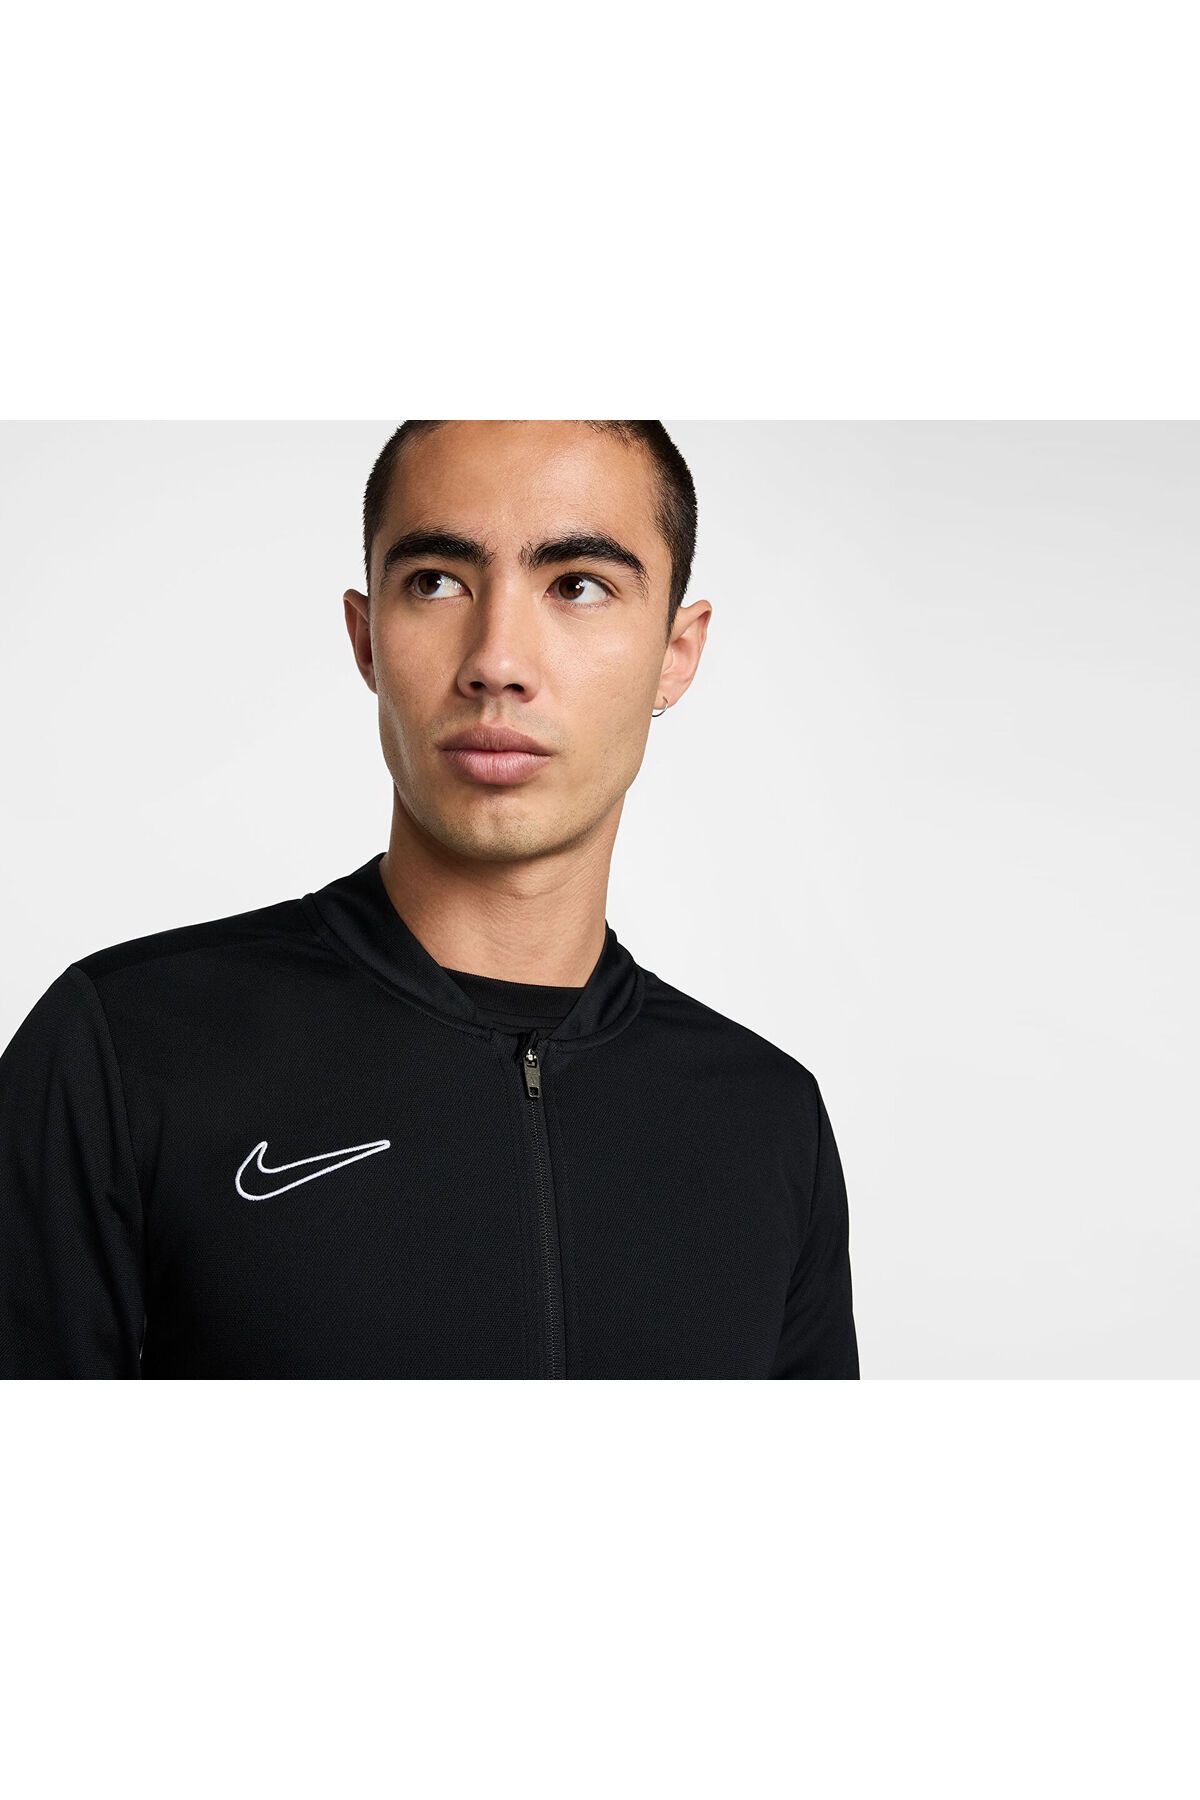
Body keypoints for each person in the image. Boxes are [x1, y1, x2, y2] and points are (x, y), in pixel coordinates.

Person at [0, 419, 859, 1379]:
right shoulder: (124, 1053)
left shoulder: (769, 1122)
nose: (497, 660)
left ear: (677, 653)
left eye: (578, 586)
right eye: (437, 582)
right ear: (366, 638)